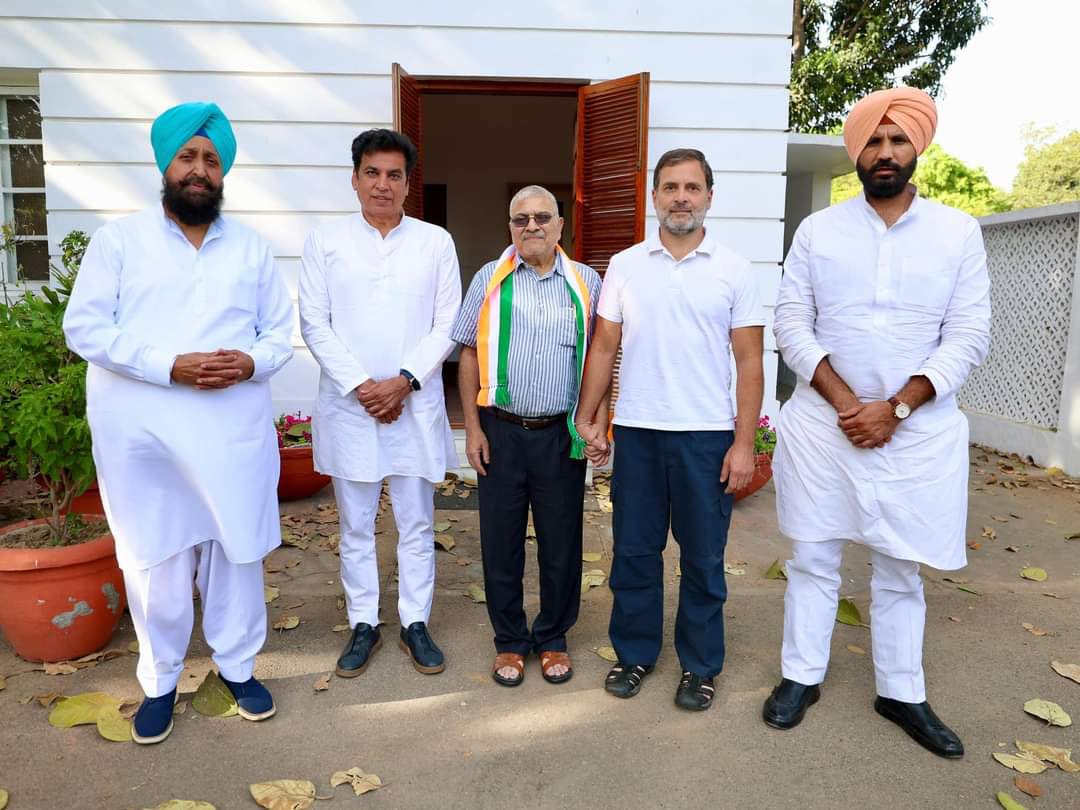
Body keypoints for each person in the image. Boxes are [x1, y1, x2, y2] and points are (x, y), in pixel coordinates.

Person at [764, 87, 991, 758]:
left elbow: (969, 335)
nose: (885, 151)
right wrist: (845, 402)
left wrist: (895, 408)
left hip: (916, 432)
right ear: (855, 151)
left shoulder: (957, 232)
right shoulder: (819, 230)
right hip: (822, 427)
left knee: (900, 564)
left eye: (897, 140)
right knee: (813, 555)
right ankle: (799, 676)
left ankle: (900, 690)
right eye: (873, 140)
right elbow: (790, 321)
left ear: (917, 147)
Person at [63, 102, 294, 744]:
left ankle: (237, 668)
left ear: (224, 174)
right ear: (165, 164)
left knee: (234, 554)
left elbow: (280, 336)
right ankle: (160, 681)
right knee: (154, 559)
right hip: (145, 439)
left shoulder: (250, 248)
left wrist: (249, 360)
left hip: (230, 434)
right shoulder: (119, 242)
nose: (200, 170)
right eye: (188, 157)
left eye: (212, 160)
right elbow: (84, 328)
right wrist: (171, 365)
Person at [575, 148, 765, 711]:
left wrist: (743, 443)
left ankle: (701, 665)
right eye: (669, 187)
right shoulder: (627, 264)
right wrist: (590, 417)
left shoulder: (734, 269)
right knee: (634, 552)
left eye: (691, 187)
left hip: (706, 436)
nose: (680, 197)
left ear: (709, 195)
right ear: (653, 196)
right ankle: (634, 654)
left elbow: (750, 362)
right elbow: (605, 343)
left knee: (703, 559)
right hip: (637, 431)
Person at [299, 129, 461, 679]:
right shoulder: (325, 241)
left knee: (416, 522)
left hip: (413, 403)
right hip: (352, 406)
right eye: (373, 173)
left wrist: (404, 381)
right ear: (354, 178)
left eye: (394, 175)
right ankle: (363, 622)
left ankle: (416, 622)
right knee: (356, 523)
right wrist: (363, 386)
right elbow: (313, 323)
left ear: (408, 184)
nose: (383, 185)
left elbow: (448, 323)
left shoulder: (435, 242)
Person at [451, 185, 604, 687]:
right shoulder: (489, 280)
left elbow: (606, 358)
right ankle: (511, 641)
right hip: (502, 430)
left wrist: (599, 419)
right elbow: (469, 353)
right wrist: (472, 428)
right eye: (521, 219)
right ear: (510, 227)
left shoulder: (587, 282)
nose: (531, 226)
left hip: (561, 433)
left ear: (561, 226)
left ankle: (554, 636)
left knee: (561, 541)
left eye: (542, 217)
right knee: (501, 541)